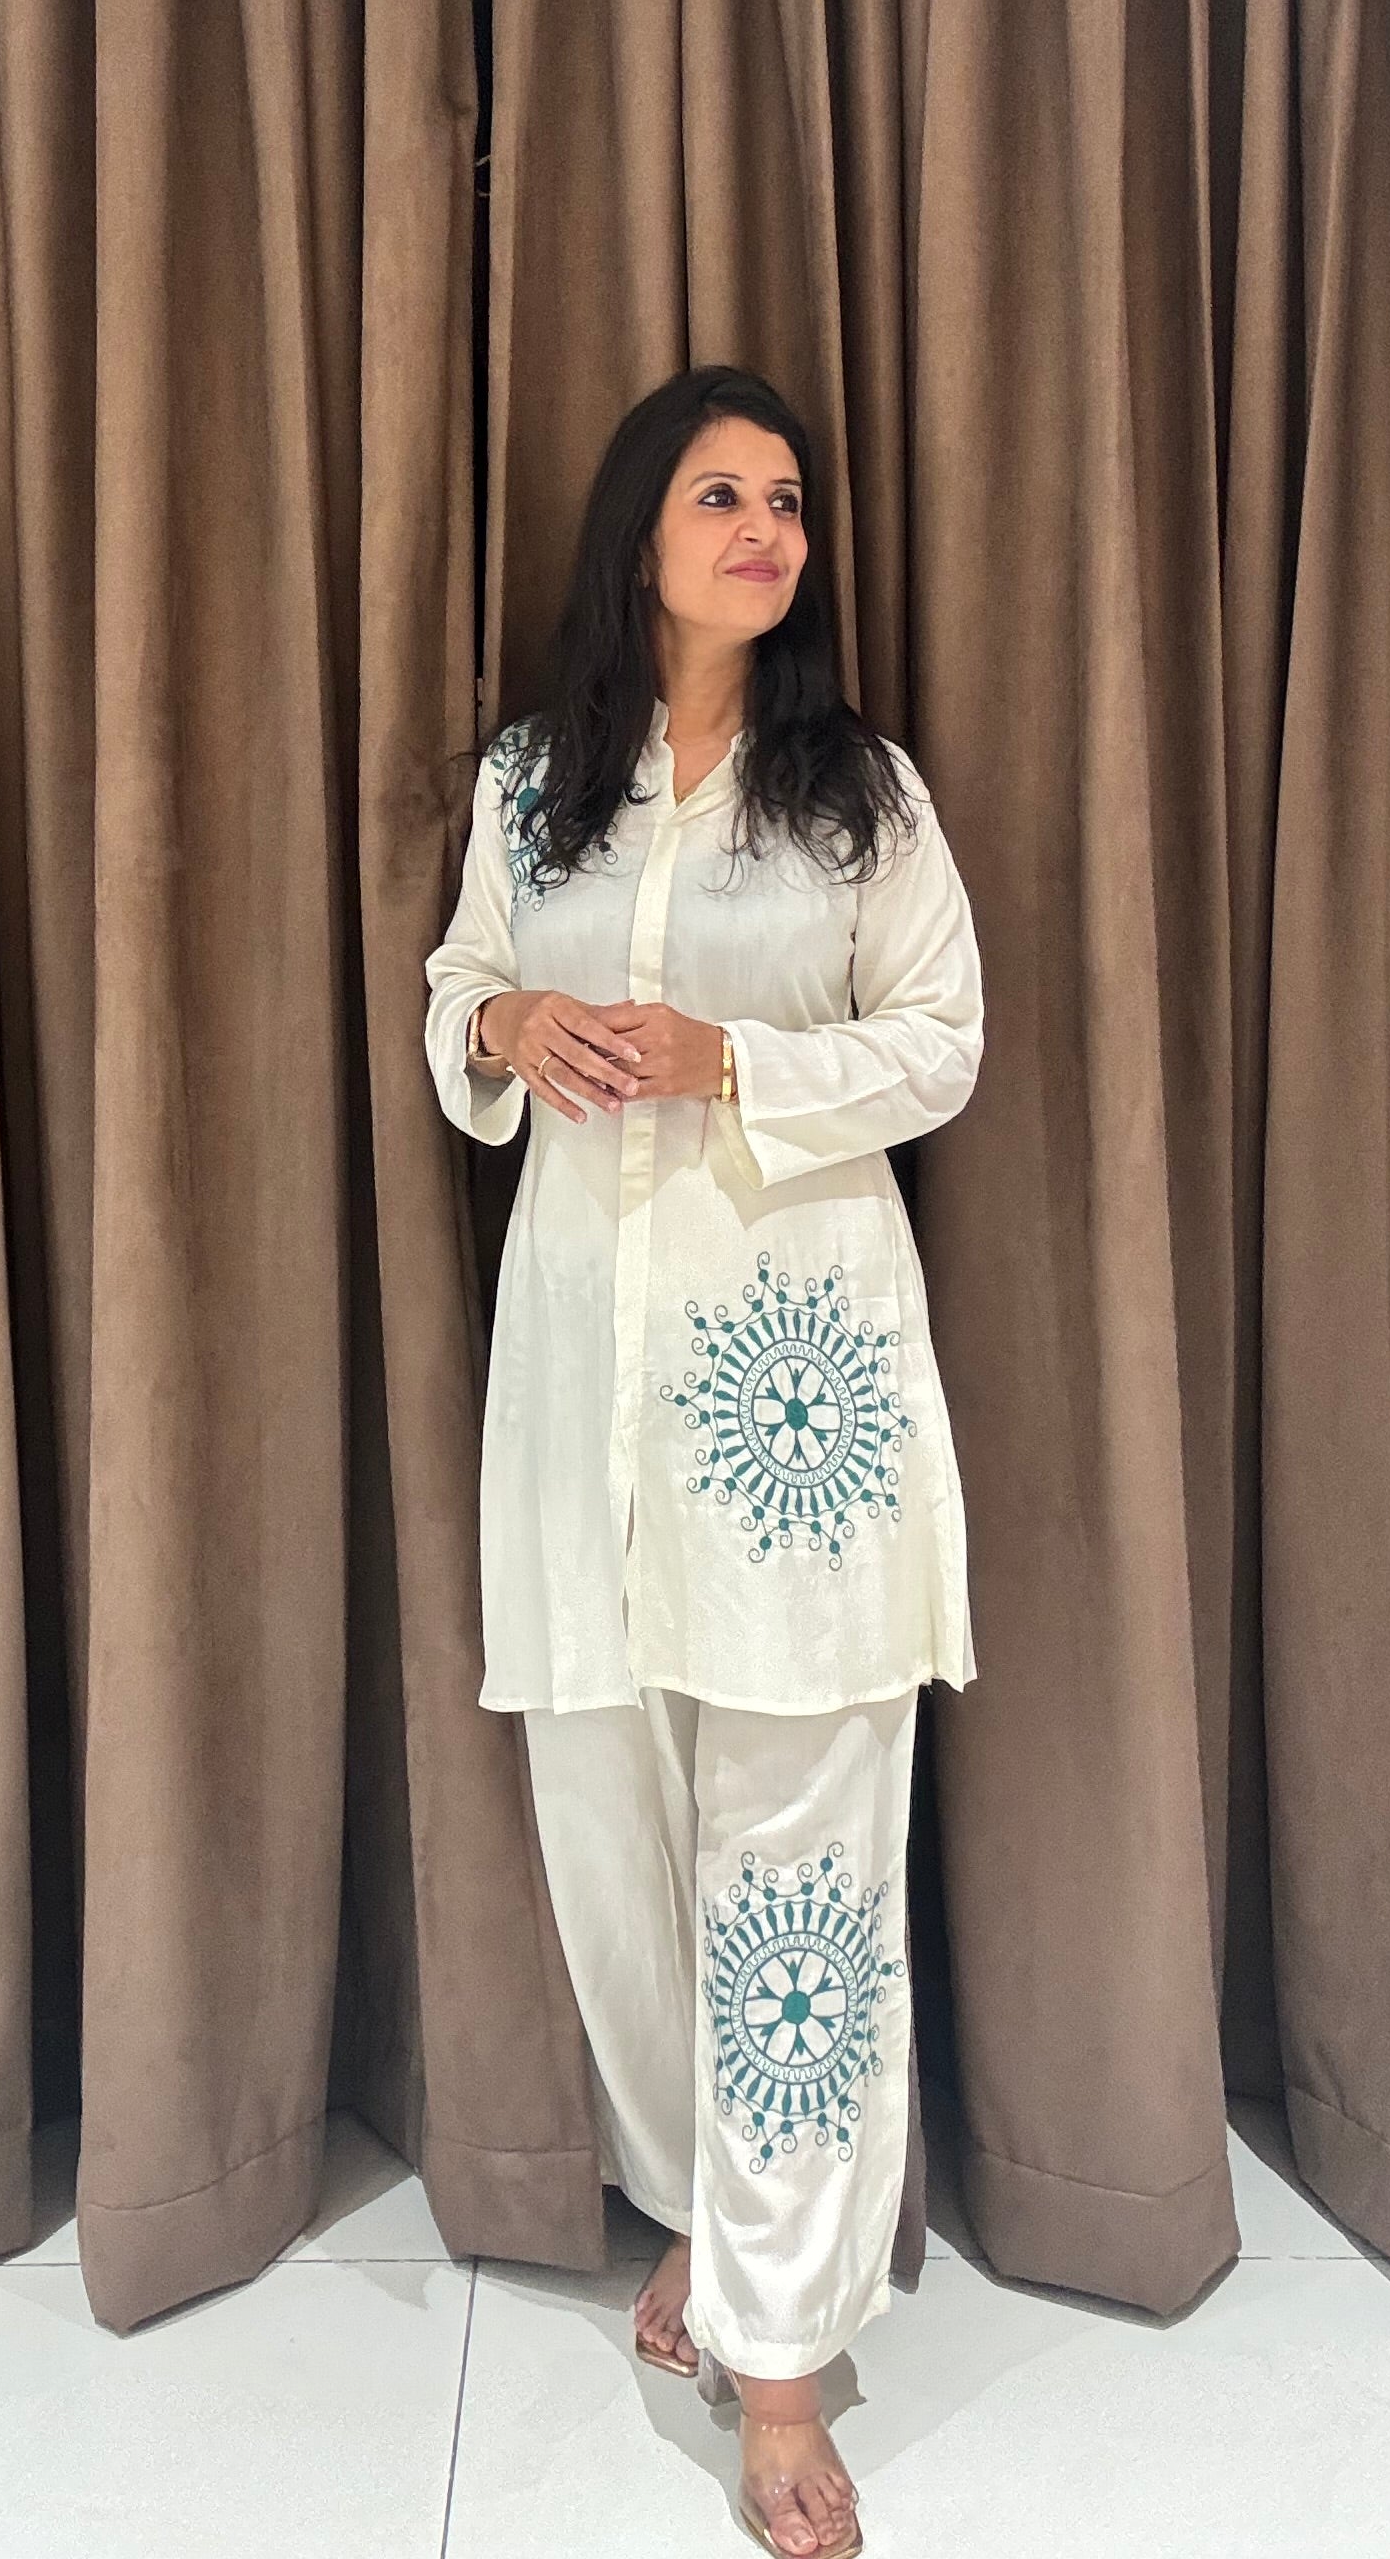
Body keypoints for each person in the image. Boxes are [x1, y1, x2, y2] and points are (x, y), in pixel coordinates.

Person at [422, 364, 983, 2559]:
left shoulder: (857, 798)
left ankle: (780, 2362)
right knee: (612, 1840)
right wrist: (504, 1023)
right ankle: (712, 2218)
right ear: (638, 535)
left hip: (795, 1407)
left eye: (789, 499)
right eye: (721, 493)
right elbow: (459, 983)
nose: (766, 528)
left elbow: (943, 1041)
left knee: (798, 1867)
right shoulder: (532, 781)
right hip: (582, 1385)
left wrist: (729, 1060)